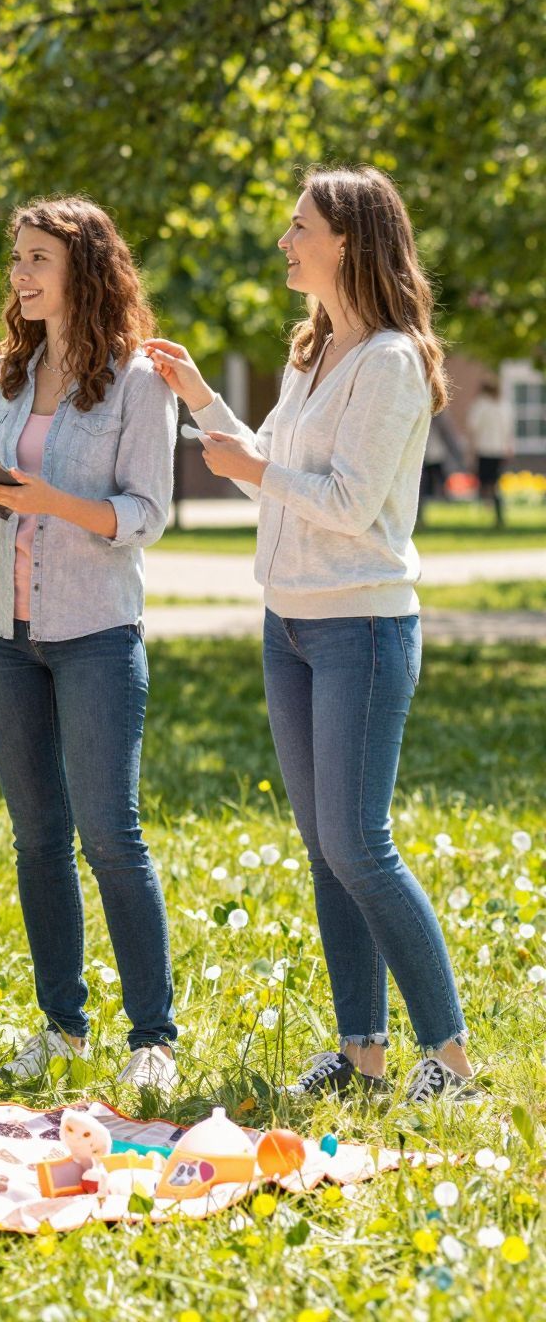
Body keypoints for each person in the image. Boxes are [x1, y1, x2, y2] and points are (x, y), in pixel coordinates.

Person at [146, 165, 479, 1105]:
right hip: (287, 622)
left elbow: (347, 503)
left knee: (361, 844)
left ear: (348, 239)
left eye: (301, 226)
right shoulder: (313, 350)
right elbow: (274, 468)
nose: (287, 242)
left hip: (362, 629)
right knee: (325, 846)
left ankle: (451, 1065)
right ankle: (363, 1055)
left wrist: (255, 461)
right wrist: (205, 402)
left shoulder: (391, 362)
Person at [0, 197, 179, 1093]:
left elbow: (147, 515)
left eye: (38, 258)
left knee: (109, 834)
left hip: (95, 632)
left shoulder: (139, 381)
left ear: (85, 268)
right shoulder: (6, 372)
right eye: (17, 258)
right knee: (37, 836)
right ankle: (62, 1026)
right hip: (1, 630)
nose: (20, 274)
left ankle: (152, 1038)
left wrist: (48, 501)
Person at [467, 376, 514, 527]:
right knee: (495, 483)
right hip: (499, 450)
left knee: (485, 482)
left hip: (484, 449)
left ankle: (489, 510)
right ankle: (497, 512)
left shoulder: (480, 405)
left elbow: (472, 427)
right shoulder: (505, 406)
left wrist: (471, 450)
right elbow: (509, 430)